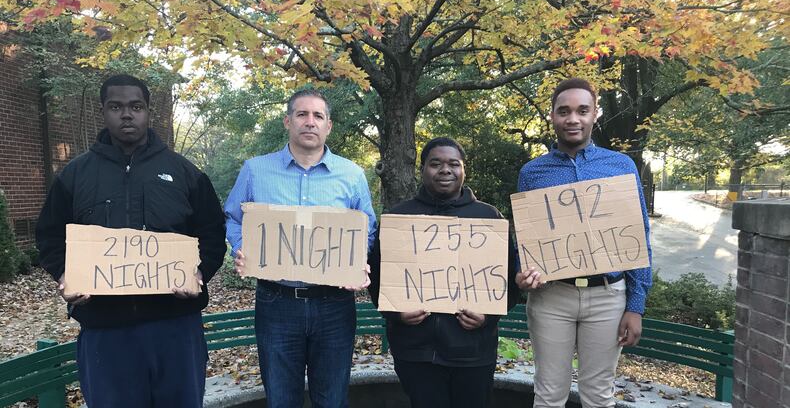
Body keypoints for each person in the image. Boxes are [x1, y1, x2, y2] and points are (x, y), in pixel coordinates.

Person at [36, 74, 226, 407]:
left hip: (176, 328)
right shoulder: (75, 175)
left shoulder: (184, 173)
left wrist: (199, 273)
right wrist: (65, 276)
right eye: (117, 107)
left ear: (148, 111)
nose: (127, 114)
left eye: (136, 106)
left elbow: (212, 232)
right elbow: (50, 236)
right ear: (103, 112)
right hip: (106, 332)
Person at [224, 89, 377, 408]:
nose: (310, 122)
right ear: (288, 121)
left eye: (318, 116)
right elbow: (234, 218)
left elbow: (367, 227)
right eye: (302, 115)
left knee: (332, 400)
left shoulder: (351, 175)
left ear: (329, 126)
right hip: (277, 303)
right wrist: (243, 248)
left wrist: (357, 260)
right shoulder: (256, 169)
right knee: (281, 399)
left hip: (334, 303)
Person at [368, 137, 542, 408]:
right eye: (435, 163)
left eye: (453, 164)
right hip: (415, 351)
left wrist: (487, 317)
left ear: (464, 170)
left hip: (473, 352)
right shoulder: (398, 218)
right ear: (423, 169)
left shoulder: (489, 218)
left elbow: (509, 282)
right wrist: (396, 313)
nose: (445, 170)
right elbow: (378, 280)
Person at [515, 77, 652, 408]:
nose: (572, 118)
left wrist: (635, 306)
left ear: (596, 114)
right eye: (564, 111)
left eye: (582, 110)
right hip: (552, 297)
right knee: (548, 393)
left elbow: (639, 236)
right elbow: (525, 238)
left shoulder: (620, 166)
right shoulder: (533, 172)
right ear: (552, 116)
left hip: (608, 296)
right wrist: (523, 273)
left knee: (599, 395)